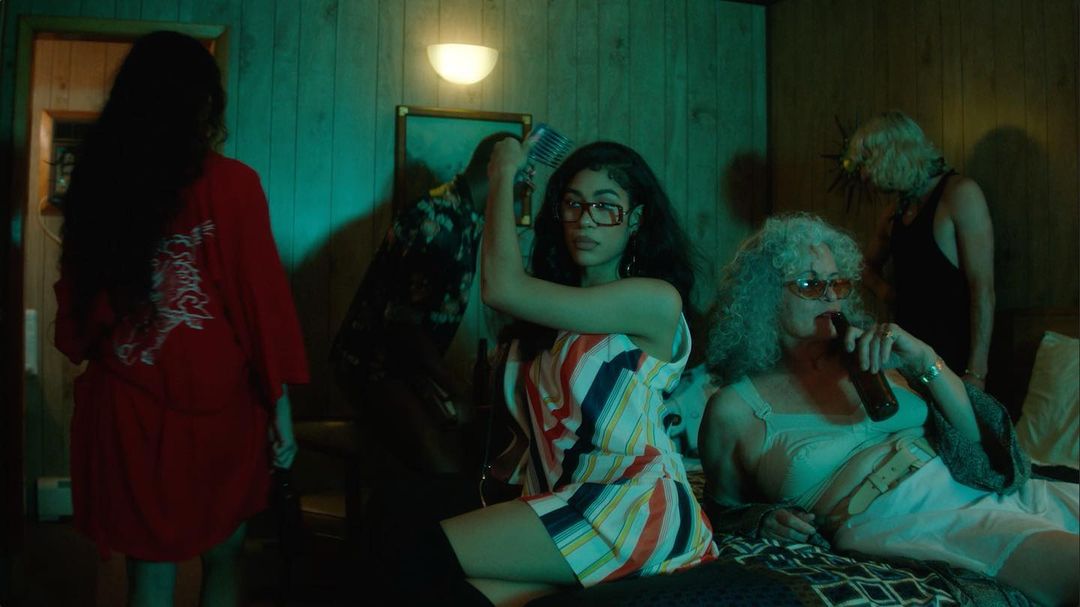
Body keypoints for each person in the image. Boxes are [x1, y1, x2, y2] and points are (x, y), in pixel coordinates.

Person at [386, 140, 719, 606]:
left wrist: (502, 173)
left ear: (635, 220)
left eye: (606, 206)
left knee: (413, 545)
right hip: (567, 500)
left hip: (633, 505)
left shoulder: (654, 300)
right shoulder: (548, 317)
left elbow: (500, 287)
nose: (586, 219)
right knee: (444, 583)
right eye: (573, 203)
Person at [699, 213, 1078, 607]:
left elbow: (983, 444)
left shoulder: (869, 355)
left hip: (972, 484)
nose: (830, 297)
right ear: (764, 298)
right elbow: (721, 511)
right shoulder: (734, 410)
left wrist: (924, 359)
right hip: (906, 519)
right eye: (810, 285)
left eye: (837, 283)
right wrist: (760, 519)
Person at [53, 31, 308, 606]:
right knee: (225, 554)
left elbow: (76, 317)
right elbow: (260, 306)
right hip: (214, 408)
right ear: (204, 102)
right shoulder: (232, 184)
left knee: (151, 569)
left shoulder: (97, 186)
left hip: (132, 403)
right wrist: (281, 407)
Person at [330, 131, 521, 476]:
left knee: (462, 448)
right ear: (494, 170)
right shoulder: (439, 221)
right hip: (373, 364)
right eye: (520, 178)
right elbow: (403, 324)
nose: (524, 191)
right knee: (445, 468)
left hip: (403, 365)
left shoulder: (467, 216)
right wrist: (454, 387)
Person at [847, 110, 995, 390]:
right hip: (907, 358)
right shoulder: (894, 211)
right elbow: (863, 266)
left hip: (954, 358)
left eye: (867, 161)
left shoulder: (960, 194)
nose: (863, 174)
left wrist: (976, 371)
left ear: (892, 154)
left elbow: (983, 290)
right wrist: (885, 292)